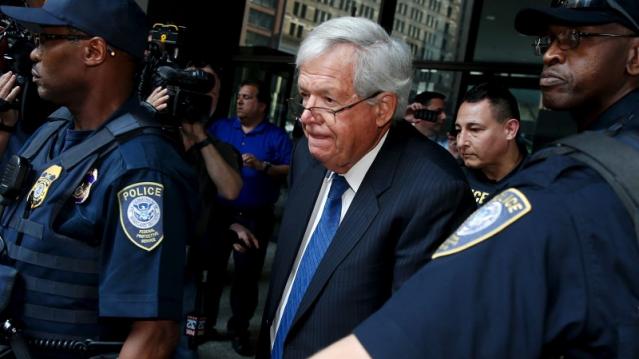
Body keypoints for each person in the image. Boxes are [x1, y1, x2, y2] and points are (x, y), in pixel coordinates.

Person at [311, 0, 639, 357]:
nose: (551, 55)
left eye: (575, 38)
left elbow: (415, 334)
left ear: (635, 55)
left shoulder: (566, 187)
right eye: (550, 40)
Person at [258, 17, 476, 359]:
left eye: (329, 100)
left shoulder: (435, 192)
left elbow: (416, 335)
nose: (306, 116)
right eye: (304, 96)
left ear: (382, 108)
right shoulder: (307, 153)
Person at [0, 1, 198, 358]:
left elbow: (153, 335)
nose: (33, 53)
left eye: (46, 39)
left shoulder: (141, 168)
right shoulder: (53, 130)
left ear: (93, 51)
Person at [146, 63, 246, 357]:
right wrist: (147, 113)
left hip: (190, 265)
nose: (198, 100)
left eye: (209, 94)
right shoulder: (153, 136)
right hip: (145, 258)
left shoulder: (221, 149)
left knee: (182, 344)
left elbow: (230, 190)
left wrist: (199, 136)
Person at [207, 79, 292, 356]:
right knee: (212, 271)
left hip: (256, 216)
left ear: (262, 105)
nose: (240, 101)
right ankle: (203, 325)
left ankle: (239, 330)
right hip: (219, 213)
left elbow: (289, 170)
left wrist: (263, 166)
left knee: (246, 277)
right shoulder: (220, 128)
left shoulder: (277, 136)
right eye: (239, 96)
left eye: (247, 97)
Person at [456, 82, 528, 205]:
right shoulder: (454, 178)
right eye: (458, 130)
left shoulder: (536, 183)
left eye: (475, 130)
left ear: (510, 129)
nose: (461, 142)